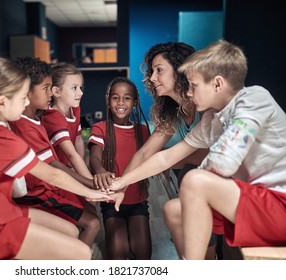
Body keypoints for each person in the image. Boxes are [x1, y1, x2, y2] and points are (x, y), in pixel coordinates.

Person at [109, 39, 286, 260]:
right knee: (173, 210)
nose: (189, 93)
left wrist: (198, 186)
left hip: (279, 202)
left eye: (194, 86)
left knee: (194, 179)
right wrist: (121, 183)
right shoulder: (212, 120)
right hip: (254, 199)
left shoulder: (254, 98)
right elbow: (165, 158)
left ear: (217, 84)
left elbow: (224, 162)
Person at [0, 56, 112, 260]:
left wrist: (89, 190)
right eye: (22, 98)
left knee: (73, 232)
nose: (27, 102)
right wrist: (92, 192)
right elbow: (52, 175)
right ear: (2, 102)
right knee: (81, 252)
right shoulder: (1, 138)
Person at [122, 42, 215, 259]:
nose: (152, 78)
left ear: (181, 69)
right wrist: (121, 185)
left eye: (159, 70)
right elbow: (145, 153)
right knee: (182, 191)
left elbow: (208, 155)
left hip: (232, 181)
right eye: (152, 71)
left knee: (188, 176)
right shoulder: (173, 111)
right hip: (202, 183)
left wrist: (169, 160)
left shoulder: (207, 105)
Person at [9, 57, 100, 248]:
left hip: (49, 186)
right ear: (26, 91)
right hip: (38, 193)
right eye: (45, 88)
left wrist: (89, 185)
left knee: (85, 221)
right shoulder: (33, 124)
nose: (50, 92)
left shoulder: (35, 119)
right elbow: (53, 168)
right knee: (90, 224)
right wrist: (90, 185)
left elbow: (76, 145)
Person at [88, 77, 151, 259]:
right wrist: (99, 170)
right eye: (115, 98)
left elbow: (150, 159)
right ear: (108, 101)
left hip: (138, 201)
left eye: (127, 98)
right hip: (111, 203)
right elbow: (94, 156)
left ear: (135, 102)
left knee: (143, 253)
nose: (121, 103)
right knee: (118, 254)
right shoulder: (100, 128)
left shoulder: (143, 131)